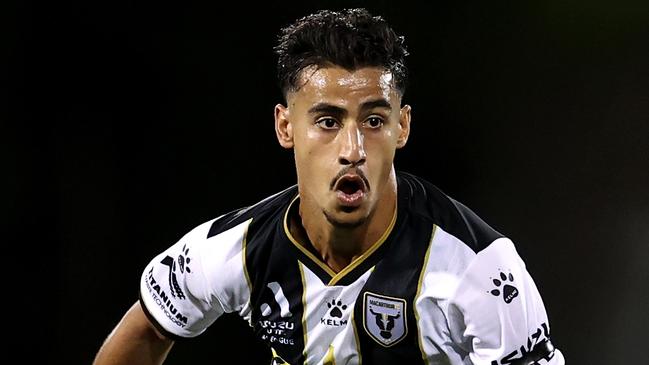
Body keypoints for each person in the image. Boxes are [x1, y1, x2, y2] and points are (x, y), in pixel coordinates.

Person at [93, 8, 564, 365]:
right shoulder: (232, 251)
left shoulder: (482, 269)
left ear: (403, 128)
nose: (352, 148)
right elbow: (150, 331)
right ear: (285, 127)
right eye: (327, 120)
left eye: (374, 120)